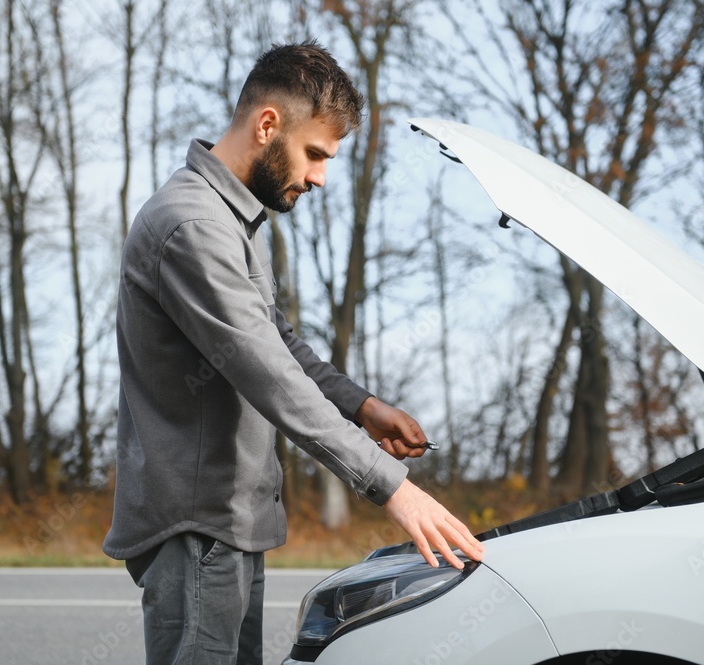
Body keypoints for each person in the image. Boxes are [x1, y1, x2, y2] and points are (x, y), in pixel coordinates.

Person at [102, 40, 483, 665]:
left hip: (224, 526)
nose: (319, 177)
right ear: (268, 124)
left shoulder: (230, 221)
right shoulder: (191, 225)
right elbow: (268, 373)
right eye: (314, 154)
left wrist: (360, 404)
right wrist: (393, 487)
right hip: (198, 530)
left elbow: (275, 339)